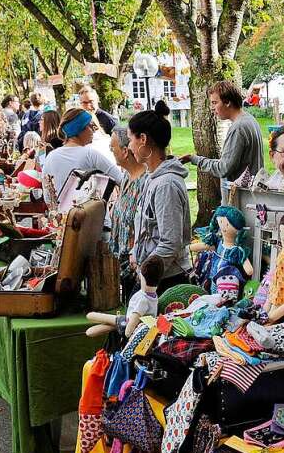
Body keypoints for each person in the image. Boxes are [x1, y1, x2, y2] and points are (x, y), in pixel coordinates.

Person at [127, 100, 192, 292]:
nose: (129, 146)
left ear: (143, 139)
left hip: (166, 282)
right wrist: (135, 254)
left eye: (131, 139)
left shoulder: (166, 185)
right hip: (154, 278)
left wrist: (146, 272)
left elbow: (170, 242)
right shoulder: (152, 178)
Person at [180, 80, 265, 197]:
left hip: (242, 199)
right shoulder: (250, 119)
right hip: (251, 194)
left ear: (228, 102)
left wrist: (194, 159)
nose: (212, 108)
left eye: (215, 102)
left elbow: (223, 168)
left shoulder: (238, 128)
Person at [40, 108, 122, 210]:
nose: (93, 130)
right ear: (79, 129)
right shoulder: (90, 154)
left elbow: (47, 197)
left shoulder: (51, 157)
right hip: (92, 221)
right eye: (90, 126)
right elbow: (121, 179)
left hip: (62, 220)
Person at [108, 123, 149, 303]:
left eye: (112, 148)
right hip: (125, 267)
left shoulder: (146, 182)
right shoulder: (126, 176)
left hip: (138, 270)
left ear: (125, 151)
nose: (111, 151)